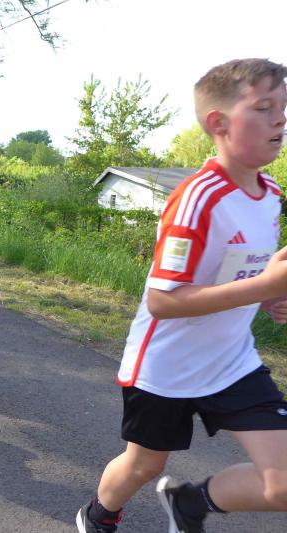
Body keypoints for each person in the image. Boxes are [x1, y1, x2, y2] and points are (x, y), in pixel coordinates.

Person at [76, 58, 287, 533]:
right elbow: (163, 301)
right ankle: (98, 516)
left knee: (284, 483)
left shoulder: (271, 192)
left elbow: (243, 270)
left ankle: (190, 503)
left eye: (283, 107)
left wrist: (270, 297)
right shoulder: (197, 198)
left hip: (233, 361)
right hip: (165, 367)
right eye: (263, 108)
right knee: (144, 464)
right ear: (219, 123)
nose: (280, 119)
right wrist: (265, 286)